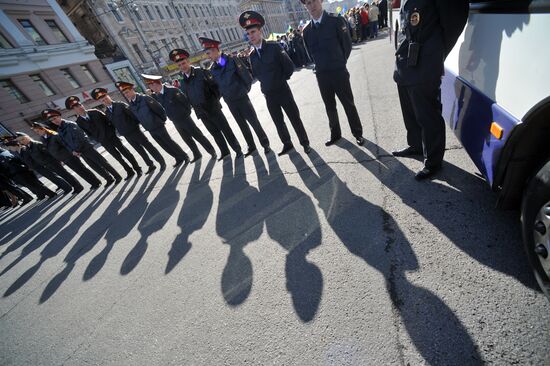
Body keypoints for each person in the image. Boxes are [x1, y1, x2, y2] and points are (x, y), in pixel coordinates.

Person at [392, 0, 469, 180]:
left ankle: (433, 161)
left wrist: (436, 54)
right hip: (405, 61)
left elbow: (455, 23)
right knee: (410, 109)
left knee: (427, 114)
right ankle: (416, 145)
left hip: (425, 62)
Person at [239, 10, 311, 156]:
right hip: (269, 95)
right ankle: (287, 143)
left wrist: (279, 81)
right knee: (278, 122)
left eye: (253, 32)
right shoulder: (252, 56)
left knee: (294, 118)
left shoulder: (273, 47)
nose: (250, 36)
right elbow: (258, 74)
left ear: (260, 31)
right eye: (248, 34)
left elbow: (289, 67)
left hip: (282, 90)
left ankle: (304, 142)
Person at [301, 0, 365, 147]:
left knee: (348, 104)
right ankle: (335, 134)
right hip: (322, 75)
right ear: (305, 6)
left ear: (321, 2)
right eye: (308, 3)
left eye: (314, 1)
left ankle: (358, 133)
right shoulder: (306, 30)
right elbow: (310, 54)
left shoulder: (336, 21)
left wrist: (339, 63)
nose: (312, 5)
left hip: (338, 72)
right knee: (329, 106)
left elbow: (347, 45)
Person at [199, 37, 271, 156]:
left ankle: (265, 144)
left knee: (254, 122)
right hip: (230, 101)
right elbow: (216, 87)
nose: (208, 56)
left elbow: (246, 76)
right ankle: (251, 146)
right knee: (242, 125)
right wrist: (224, 95)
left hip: (242, 98)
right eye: (206, 53)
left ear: (216, 49)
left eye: (208, 53)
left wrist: (243, 91)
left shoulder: (231, 60)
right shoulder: (213, 68)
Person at [169, 48, 243, 161]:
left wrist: (213, 101)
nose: (182, 66)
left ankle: (237, 149)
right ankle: (225, 152)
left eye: (183, 63)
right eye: (179, 65)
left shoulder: (201, 72)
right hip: (201, 112)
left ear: (188, 62)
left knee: (226, 130)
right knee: (215, 133)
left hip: (213, 108)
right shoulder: (182, 81)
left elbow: (215, 87)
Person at [141, 74, 217, 163]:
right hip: (175, 121)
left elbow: (185, 102)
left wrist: (185, 114)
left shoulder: (172, 90)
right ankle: (197, 154)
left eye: (150, 85)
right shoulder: (157, 95)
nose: (150, 88)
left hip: (185, 118)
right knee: (187, 139)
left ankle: (211, 151)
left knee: (198, 135)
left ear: (155, 84)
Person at [91, 87, 166, 174]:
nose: (105, 100)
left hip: (135, 131)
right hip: (126, 134)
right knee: (140, 151)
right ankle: (150, 165)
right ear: (101, 102)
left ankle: (161, 162)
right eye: (102, 100)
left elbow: (133, 116)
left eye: (105, 98)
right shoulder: (107, 112)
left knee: (148, 147)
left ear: (108, 96)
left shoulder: (120, 105)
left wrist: (135, 126)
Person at [116, 81, 189, 168]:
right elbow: (136, 117)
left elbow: (160, 110)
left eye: (127, 92)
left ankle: (184, 156)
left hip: (158, 125)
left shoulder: (145, 98)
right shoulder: (131, 105)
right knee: (163, 145)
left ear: (132, 90)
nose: (126, 94)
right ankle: (177, 158)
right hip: (150, 128)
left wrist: (160, 121)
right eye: (124, 93)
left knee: (169, 142)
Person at [65, 95, 141, 180]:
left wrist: (112, 132)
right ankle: (129, 170)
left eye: (80, 105)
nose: (79, 108)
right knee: (117, 157)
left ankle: (137, 168)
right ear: (74, 110)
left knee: (125, 152)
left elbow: (109, 121)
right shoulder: (79, 122)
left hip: (112, 137)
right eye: (76, 107)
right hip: (103, 141)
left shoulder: (95, 112)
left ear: (82, 105)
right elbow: (87, 134)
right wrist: (97, 139)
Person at [42, 108, 122, 186]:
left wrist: (76, 150)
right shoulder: (59, 130)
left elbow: (80, 138)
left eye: (55, 118)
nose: (54, 121)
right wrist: (72, 151)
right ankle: (108, 178)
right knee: (94, 166)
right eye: (52, 120)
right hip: (79, 151)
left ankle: (117, 176)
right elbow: (65, 143)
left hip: (86, 148)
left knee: (102, 163)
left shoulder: (70, 124)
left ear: (59, 116)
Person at [31, 122, 102, 189]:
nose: (37, 133)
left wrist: (73, 152)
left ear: (43, 129)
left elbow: (65, 145)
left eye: (38, 131)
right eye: (36, 132)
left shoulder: (54, 135)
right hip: (63, 158)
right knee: (79, 171)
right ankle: (93, 183)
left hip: (69, 156)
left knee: (82, 170)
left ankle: (96, 182)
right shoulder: (43, 139)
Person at [16, 133, 84, 194]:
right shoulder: (28, 148)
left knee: (65, 174)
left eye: (23, 139)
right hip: (46, 164)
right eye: (20, 140)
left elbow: (49, 153)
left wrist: (58, 161)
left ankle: (78, 186)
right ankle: (75, 186)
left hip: (52, 162)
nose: (22, 141)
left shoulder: (37, 144)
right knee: (63, 175)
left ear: (27, 137)